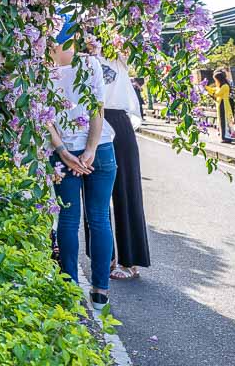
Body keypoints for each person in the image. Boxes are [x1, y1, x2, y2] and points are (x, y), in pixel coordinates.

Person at [47, 17, 118, 309]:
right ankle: (100, 292)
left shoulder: (42, 74)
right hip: (99, 151)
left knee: (68, 219)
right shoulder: (90, 65)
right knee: (99, 217)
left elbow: (45, 119)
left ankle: (70, 290)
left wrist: (65, 152)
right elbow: (96, 111)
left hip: (64, 155)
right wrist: (89, 151)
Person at [99, 57, 150, 279]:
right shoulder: (79, 51)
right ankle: (104, 256)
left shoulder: (117, 51)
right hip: (93, 118)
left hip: (117, 119)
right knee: (97, 197)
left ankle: (131, 261)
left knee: (126, 191)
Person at [204, 71, 235, 143]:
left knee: (224, 121)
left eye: (216, 79)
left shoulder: (225, 86)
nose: (215, 81)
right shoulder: (221, 86)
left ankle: (226, 137)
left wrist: (209, 91)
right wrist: (206, 87)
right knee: (222, 121)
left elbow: (217, 94)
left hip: (224, 105)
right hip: (221, 104)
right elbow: (214, 90)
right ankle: (225, 136)